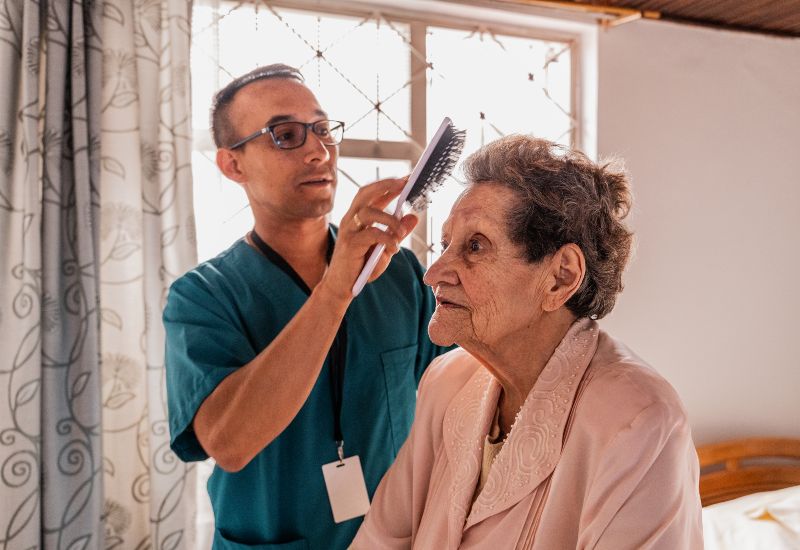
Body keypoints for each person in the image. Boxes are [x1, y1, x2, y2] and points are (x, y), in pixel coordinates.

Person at [352, 135, 704, 549]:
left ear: (561, 277)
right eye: (444, 245)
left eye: (475, 246)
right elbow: (380, 540)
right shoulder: (445, 383)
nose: (434, 274)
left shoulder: (640, 421)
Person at [163, 64, 448, 549]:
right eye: (286, 135)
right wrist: (337, 289)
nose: (318, 150)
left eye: (322, 130)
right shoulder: (202, 297)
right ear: (233, 165)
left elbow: (461, 393)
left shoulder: (397, 273)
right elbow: (228, 443)